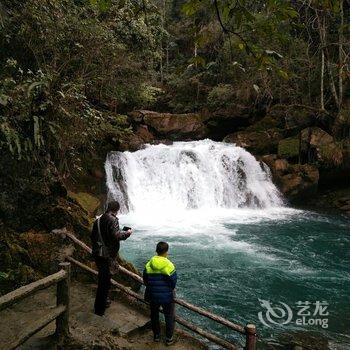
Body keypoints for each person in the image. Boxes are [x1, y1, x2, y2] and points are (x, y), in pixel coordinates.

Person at [91, 200, 132, 316]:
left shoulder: (98, 219)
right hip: (106, 255)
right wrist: (128, 233)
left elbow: (93, 235)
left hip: (97, 253)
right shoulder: (113, 219)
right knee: (104, 282)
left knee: (104, 280)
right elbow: (117, 235)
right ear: (117, 210)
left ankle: (103, 302)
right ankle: (99, 310)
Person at [143, 242, 177, 346]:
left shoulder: (149, 264)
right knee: (169, 316)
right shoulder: (169, 265)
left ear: (156, 251)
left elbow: (145, 280)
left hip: (152, 295)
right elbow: (173, 282)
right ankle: (169, 338)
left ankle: (156, 336)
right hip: (166, 297)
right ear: (166, 252)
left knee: (154, 315)